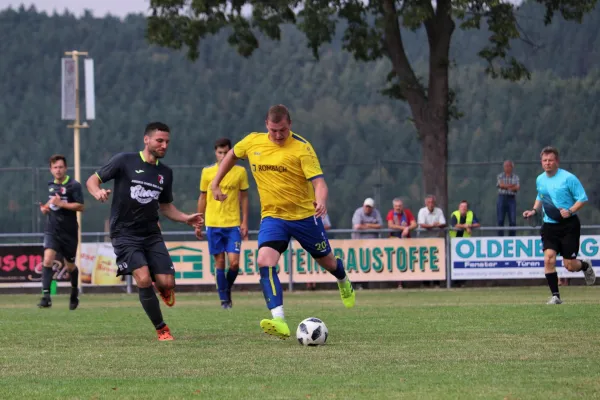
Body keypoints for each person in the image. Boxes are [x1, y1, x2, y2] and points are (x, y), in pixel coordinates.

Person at [209, 105, 355, 339]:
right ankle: (279, 320)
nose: (278, 135)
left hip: (305, 216)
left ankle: (342, 278)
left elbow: (320, 183)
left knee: (327, 262)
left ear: (290, 125)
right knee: (264, 261)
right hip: (273, 217)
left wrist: (321, 201)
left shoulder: (302, 148)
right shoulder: (252, 142)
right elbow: (231, 156)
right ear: (266, 124)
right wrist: (215, 183)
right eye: (275, 130)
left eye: (283, 131)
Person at [86, 122, 203, 341]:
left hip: (151, 234)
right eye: (160, 140)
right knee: (142, 278)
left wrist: (186, 218)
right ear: (146, 140)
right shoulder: (124, 161)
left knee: (167, 282)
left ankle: (164, 289)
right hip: (124, 234)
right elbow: (92, 179)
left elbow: (166, 207)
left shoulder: (165, 173)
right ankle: (162, 328)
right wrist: (97, 192)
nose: (164, 145)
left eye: (167, 141)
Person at [523, 146, 595, 304]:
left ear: (557, 162)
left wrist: (570, 211)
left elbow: (582, 198)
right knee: (549, 259)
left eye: (550, 160)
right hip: (549, 226)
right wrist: (534, 210)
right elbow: (540, 195)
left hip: (569, 225)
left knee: (569, 265)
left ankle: (584, 265)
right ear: (541, 162)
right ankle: (555, 296)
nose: (547, 163)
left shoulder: (568, 178)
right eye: (544, 160)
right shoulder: (540, 179)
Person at [196, 138, 249, 309]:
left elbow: (244, 197)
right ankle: (224, 300)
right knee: (219, 262)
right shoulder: (207, 172)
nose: (223, 156)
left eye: (226, 153)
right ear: (215, 153)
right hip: (213, 223)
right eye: (220, 153)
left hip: (233, 223)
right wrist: (198, 220)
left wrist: (245, 220)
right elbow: (203, 197)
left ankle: (226, 289)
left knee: (234, 263)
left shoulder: (240, 172)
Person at [37, 154, 85, 310]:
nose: (58, 170)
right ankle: (46, 297)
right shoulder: (50, 185)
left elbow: (80, 207)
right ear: (51, 169)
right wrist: (46, 208)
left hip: (69, 232)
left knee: (70, 266)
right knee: (47, 259)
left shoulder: (74, 185)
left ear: (66, 168)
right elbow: (52, 204)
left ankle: (73, 292)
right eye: (55, 167)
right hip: (52, 230)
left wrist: (62, 204)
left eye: (60, 167)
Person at [496, 160, 520, 236]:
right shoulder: (500, 176)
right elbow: (500, 185)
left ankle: (512, 237)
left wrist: (505, 186)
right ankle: (500, 237)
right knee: (500, 219)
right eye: (505, 166)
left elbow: (517, 187)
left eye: (509, 166)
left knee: (512, 220)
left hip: (511, 198)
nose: (507, 168)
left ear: (512, 167)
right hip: (501, 198)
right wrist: (511, 186)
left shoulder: (516, 177)